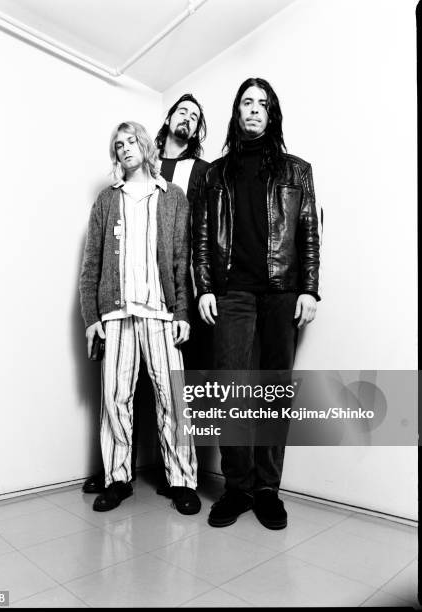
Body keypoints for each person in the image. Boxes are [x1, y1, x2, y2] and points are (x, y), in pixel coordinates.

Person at [193, 77, 321, 529]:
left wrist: (309, 287)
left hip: (282, 290)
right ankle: (237, 488)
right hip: (232, 291)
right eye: (246, 103)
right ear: (236, 112)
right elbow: (203, 237)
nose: (253, 110)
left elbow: (308, 230)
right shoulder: (215, 174)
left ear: (271, 115)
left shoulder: (296, 170)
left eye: (261, 104)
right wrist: (204, 286)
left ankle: (267, 488)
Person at [83, 94, 210, 495]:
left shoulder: (172, 196)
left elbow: (180, 258)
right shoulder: (106, 199)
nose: (125, 149)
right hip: (117, 316)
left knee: (172, 399)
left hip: (160, 313)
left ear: (145, 145)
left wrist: (183, 313)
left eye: (130, 141)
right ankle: (118, 479)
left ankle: (183, 481)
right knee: (115, 399)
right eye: (118, 145)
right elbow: (91, 267)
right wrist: (91, 320)